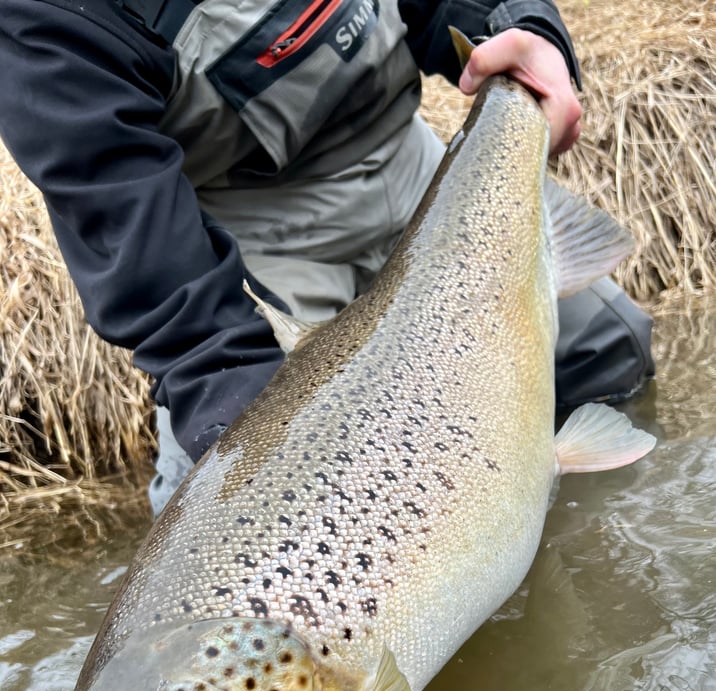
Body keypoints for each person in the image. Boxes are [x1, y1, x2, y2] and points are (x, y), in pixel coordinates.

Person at [0, 0, 653, 515]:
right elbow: (148, 255)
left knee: (608, 347)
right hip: (255, 260)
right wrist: (264, 443)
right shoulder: (44, 18)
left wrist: (521, 27)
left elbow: (452, 6)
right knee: (228, 518)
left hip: (421, 174)